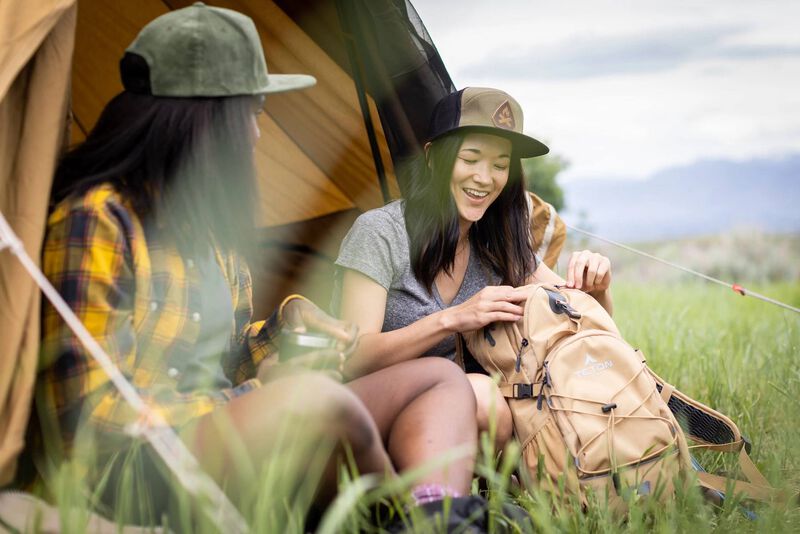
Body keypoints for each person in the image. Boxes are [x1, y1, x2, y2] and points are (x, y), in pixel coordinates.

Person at [29, 4, 478, 524]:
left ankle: (440, 514)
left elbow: (229, 357)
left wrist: (286, 330)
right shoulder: (99, 219)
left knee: (439, 380)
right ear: (203, 118)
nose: (256, 135)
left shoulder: (215, 236)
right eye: (251, 113)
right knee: (315, 403)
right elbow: (83, 416)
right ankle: (404, 521)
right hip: (135, 465)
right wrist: (262, 395)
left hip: (228, 433)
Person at [335, 87, 613, 451]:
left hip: (458, 419)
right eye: (471, 159)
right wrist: (453, 318)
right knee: (482, 395)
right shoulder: (380, 233)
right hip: (369, 409)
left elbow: (586, 333)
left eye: (500, 165)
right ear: (434, 156)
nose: (485, 178)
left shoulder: (498, 243)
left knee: (502, 395)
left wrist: (598, 287)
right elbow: (353, 357)